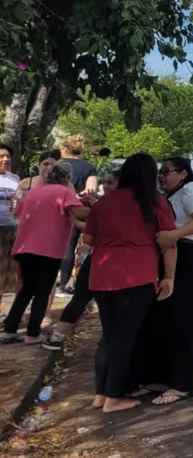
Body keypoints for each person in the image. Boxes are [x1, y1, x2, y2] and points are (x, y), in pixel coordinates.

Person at [85, 153, 177, 413]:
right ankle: (114, 397)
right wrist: (169, 277)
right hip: (137, 276)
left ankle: (100, 394)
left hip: (102, 275)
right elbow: (168, 241)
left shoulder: (104, 202)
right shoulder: (154, 202)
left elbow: (89, 239)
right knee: (125, 338)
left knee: (109, 336)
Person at [130, 157, 193, 405]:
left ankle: (182, 383)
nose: (162, 176)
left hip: (183, 256)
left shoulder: (191, 190)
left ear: (183, 174)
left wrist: (173, 235)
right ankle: (159, 376)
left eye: (167, 171)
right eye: (160, 172)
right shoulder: (164, 194)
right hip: (164, 255)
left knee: (180, 320)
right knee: (159, 319)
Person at [1, 162, 90, 344]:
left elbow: (19, 211)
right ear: (67, 178)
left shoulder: (34, 191)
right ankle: (33, 333)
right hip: (48, 249)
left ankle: (10, 330)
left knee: (26, 289)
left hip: (24, 247)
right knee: (42, 291)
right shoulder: (64, 192)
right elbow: (81, 214)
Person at [44, 170, 117, 352]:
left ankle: (58, 337)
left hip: (104, 259)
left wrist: (75, 218)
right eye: (105, 182)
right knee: (85, 297)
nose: (105, 186)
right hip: (104, 260)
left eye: (111, 183)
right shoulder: (119, 205)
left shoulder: (109, 206)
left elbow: (89, 234)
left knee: (84, 297)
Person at [57, 135, 98, 296]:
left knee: (67, 245)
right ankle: (80, 282)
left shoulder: (59, 166)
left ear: (65, 149)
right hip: (82, 209)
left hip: (62, 208)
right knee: (84, 246)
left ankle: (62, 284)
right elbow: (91, 191)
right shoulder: (88, 167)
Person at [0, 143, 22, 313]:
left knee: (8, 273)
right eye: (1, 156)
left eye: (8, 156)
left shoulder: (14, 179)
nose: (6, 159)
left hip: (11, 230)